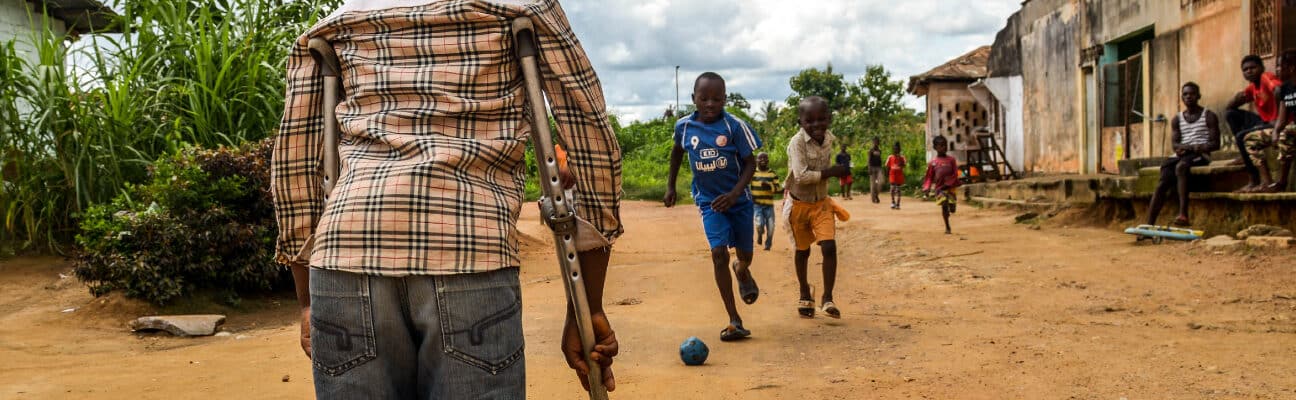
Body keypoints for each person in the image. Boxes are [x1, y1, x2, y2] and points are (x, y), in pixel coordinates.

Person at [273, 1, 622, 397]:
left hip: (344, 255)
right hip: (471, 248)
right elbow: (591, 138)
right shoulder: (522, 6)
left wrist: (306, 299)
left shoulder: (337, 22)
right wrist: (587, 306)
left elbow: (294, 164)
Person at [664, 72, 763, 341]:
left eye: (716, 99)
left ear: (725, 99)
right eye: (704, 98)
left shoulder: (734, 126)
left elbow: (750, 163)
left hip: (739, 201)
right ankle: (734, 318)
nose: (710, 104)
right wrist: (671, 186)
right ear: (693, 99)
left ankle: (741, 271)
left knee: (744, 256)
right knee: (718, 253)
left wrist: (733, 194)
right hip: (710, 203)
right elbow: (676, 154)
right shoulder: (684, 127)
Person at [784, 96, 851, 319]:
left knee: (829, 247)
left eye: (821, 119)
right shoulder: (797, 143)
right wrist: (831, 172)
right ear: (800, 122)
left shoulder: (829, 139)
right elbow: (801, 176)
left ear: (829, 119)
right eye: (809, 121)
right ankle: (805, 291)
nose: (816, 125)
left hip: (821, 203)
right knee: (803, 251)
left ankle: (828, 298)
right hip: (798, 205)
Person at [1146, 82, 1222, 226]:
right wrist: (1183, 148)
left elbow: (1216, 144)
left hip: (1201, 155)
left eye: (1192, 94)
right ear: (1182, 97)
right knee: (1163, 179)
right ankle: (1149, 223)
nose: (1188, 97)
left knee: (1181, 167)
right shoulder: (1177, 118)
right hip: (1184, 154)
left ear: (1198, 96)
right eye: (1185, 94)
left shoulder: (1209, 115)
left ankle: (1183, 214)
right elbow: (1175, 144)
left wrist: (1197, 147)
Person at [1225, 54, 1283, 192]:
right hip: (1264, 121)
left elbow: (1279, 90)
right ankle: (1243, 153)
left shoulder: (1266, 78)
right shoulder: (1252, 88)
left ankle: (1254, 181)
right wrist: (1236, 98)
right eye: (1245, 70)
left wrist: (1280, 119)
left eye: (1253, 67)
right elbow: (1230, 106)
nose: (1249, 71)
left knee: (1241, 138)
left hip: (1276, 123)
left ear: (1262, 68)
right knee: (1231, 114)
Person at [1246, 49, 1296, 192]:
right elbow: (1282, 114)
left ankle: (1282, 181)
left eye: (1280, 66)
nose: (1277, 70)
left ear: (1291, 68)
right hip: (1290, 128)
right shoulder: (1285, 88)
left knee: (1287, 133)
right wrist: (1275, 131)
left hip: (1292, 129)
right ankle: (1267, 181)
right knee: (1250, 139)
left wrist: (1283, 130)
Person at [922, 136, 960, 234]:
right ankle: (947, 226)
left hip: (950, 188)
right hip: (940, 189)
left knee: (952, 208)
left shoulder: (951, 160)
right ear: (935, 147)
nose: (944, 147)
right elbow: (929, 177)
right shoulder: (933, 163)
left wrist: (949, 183)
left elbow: (955, 174)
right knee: (944, 205)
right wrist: (927, 187)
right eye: (941, 145)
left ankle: (952, 206)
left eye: (945, 145)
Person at [751, 152, 781, 251]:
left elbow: (779, 189)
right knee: (759, 224)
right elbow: (746, 186)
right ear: (756, 161)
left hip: (769, 205)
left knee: (771, 227)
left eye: (765, 158)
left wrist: (769, 186)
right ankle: (759, 234)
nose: (763, 160)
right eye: (760, 158)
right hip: (757, 205)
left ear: (768, 161)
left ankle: (768, 244)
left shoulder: (772, 173)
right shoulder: (753, 173)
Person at [885, 142, 907, 210]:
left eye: (897, 149)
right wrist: (886, 174)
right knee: (892, 189)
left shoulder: (902, 157)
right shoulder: (890, 157)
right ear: (893, 149)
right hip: (892, 175)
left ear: (899, 150)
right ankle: (892, 202)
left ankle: (898, 203)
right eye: (894, 149)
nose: (896, 150)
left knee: (898, 190)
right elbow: (887, 166)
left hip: (899, 176)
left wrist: (901, 164)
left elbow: (904, 165)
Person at [868, 137, 885, 204]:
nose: (876, 143)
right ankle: (873, 198)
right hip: (872, 167)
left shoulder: (879, 151)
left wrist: (882, 168)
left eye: (877, 142)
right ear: (873, 142)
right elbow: (869, 160)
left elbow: (880, 160)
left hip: (878, 168)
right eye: (875, 142)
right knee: (873, 184)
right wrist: (869, 168)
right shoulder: (871, 151)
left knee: (881, 182)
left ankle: (876, 195)